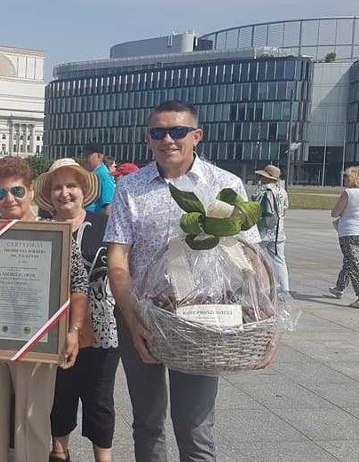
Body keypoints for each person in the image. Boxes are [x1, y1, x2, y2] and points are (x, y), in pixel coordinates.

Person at [105, 101, 261, 461]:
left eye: (177, 131)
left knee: (195, 428)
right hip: (142, 314)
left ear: (196, 135)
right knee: (146, 422)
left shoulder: (225, 184)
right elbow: (118, 261)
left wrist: (263, 312)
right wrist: (132, 321)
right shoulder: (131, 187)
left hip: (201, 318)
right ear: (148, 139)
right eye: (158, 132)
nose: (168, 140)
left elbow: (251, 256)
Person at [0, 156, 90, 462]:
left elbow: (79, 286)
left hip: (38, 340)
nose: (9, 199)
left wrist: (74, 331)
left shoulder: (56, 234)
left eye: (17, 191)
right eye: (1, 193)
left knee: (33, 421)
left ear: (31, 193)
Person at [34, 158, 119, 462]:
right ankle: (59, 451)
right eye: (58, 187)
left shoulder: (106, 227)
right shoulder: (39, 229)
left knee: (99, 396)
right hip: (52, 324)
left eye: (71, 185)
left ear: (84, 189)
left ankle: (103, 457)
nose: (65, 192)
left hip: (101, 325)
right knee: (60, 393)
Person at [329, 166, 359, 310]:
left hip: (350, 233)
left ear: (356, 178)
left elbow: (335, 213)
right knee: (351, 261)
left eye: (347, 176)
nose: (344, 179)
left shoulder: (348, 193)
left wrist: (343, 211)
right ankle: (340, 287)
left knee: (354, 265)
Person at [252, 164, 290, 294]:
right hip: (279, 231)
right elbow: (285, 209)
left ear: (268, 178)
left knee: (256, 258)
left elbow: (253, 203)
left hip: (262, 231)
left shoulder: (264, 189)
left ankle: (258, 286)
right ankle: (285, 288)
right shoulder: (283, 191)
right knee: (280, 260)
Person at [81, 143, 115, 215]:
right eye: (83, 156)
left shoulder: (103, 174)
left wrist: (103, 223)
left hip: (95, 220)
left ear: (99, 156)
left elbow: (108, 204)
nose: (84, 159)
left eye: (87, 156)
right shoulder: (94, 173)